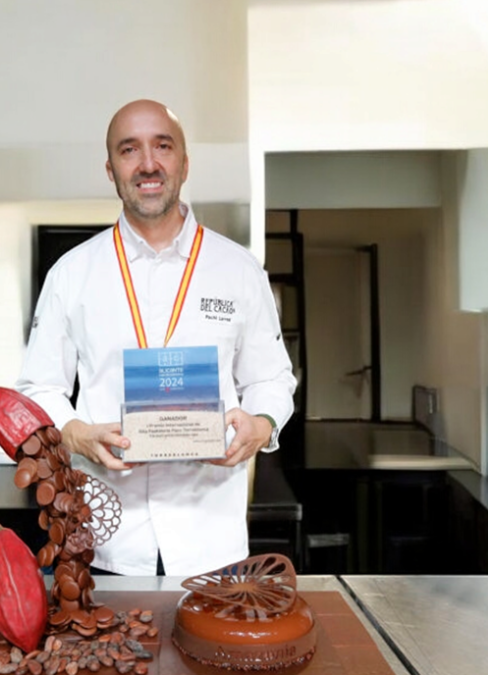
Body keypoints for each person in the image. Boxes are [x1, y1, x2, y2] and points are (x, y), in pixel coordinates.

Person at [15, 99, 296, 576]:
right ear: (110, 168)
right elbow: (38, 389)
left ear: (184, 163)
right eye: (129, 150)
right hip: (107, 543)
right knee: (112, 653)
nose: (148, 163)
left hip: (213, 542)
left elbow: (272, 379)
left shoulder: (239, 269)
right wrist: (77, 434)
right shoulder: (72, 273)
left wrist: (263, 424)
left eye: (162, 146)